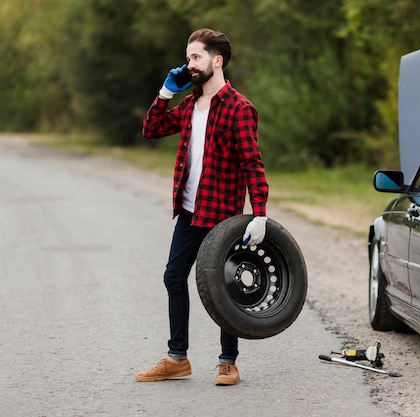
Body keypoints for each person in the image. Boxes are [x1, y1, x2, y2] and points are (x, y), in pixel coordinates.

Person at [135, 28, 269, 385]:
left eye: (196, 57)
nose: (188, 64)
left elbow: (252, 163)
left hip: (223, 216)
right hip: (191, 211)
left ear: (217, 60)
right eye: (188, 57)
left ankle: (228, 362)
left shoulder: (240, 108)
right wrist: (166, 92)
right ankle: (177, 358)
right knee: (173, 277)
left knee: (224, 285)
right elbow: (151, 129)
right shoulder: (191, 103)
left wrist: (259, 213)